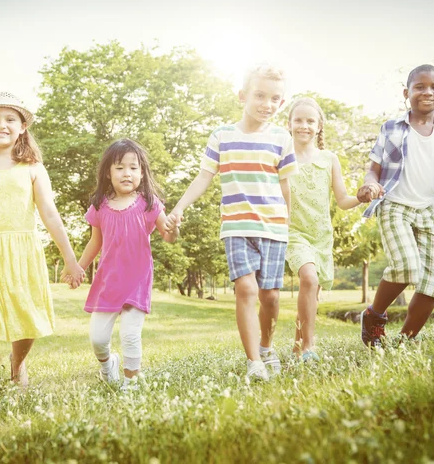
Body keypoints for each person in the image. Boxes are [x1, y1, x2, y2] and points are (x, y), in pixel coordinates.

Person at [165, 66, 298, 381]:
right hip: (237, 227)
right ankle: (254, 362)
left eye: (275, 99)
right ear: (243, 96)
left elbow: (285, 187)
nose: (267, 104)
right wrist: (180, 207)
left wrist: (289, 222)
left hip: (274, 227)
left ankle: (266, 346)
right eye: (260, 95)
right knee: (246, 289)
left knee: (271, 296)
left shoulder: (282, 138)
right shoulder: (222, 136)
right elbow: (204, 177)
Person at [0, 92, 85, 402]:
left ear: (22, 126)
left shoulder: (33, 167)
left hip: (21, 251)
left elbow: (50, 215)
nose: (2, 125)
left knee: (27, 319)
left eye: (10, 119)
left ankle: (17, 362)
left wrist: (71, 260)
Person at [74, 139, 178, 390]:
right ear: (108, 174)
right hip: (108, 281)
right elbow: (94, 243)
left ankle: (131, 383)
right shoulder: (99, 206)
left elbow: (168, 236)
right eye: (119, 167)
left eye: (133, 168)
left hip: (137, 280)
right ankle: (108, 365)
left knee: (130, 335)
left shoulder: (149, 203)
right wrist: (78, 267)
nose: (127, 173)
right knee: (98, 338)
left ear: (142, 173)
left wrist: (174, 229)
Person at [358, 64, 434, 347]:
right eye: (419, 87)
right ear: (406, 92)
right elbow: (373, 169)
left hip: (428, 210)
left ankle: (405, 342)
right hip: (394, 205)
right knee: (408, 266)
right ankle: (374, 316)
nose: (427, 92)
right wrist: (370, 183)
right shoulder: (392, 128)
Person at [285, 97, 360, 361]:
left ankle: (296, 347)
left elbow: (342, 200)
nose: (303, 125)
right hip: (293, 234)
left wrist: (361, 197)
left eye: (310, 121)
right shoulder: (280, 158)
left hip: (321, 236)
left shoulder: (329, 159)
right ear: (289, 124)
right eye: (298, 120)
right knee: (309, 279)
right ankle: (309, 347)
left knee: (311, 295)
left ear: (319, 127)